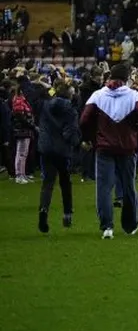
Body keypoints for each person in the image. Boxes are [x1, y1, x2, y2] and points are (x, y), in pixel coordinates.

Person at [80, 64, 138, 240]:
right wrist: (136, 127)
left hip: (104, 147)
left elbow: (84, 119)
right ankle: (130, 224)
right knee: (129, 186)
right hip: (127, 146)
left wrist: (91, 137)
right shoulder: (133, 95)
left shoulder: (98, 95)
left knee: (104, 188)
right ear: (127, 78)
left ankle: (107, 226)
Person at [37, 80, 82, 233]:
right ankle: (67, 213)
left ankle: (43, 211)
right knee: (65, 182)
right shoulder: (71, 111)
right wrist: (77, 142)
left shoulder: (45, 104)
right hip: (62, 150)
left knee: (48, 182)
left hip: (46, 147)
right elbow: (70, 132)